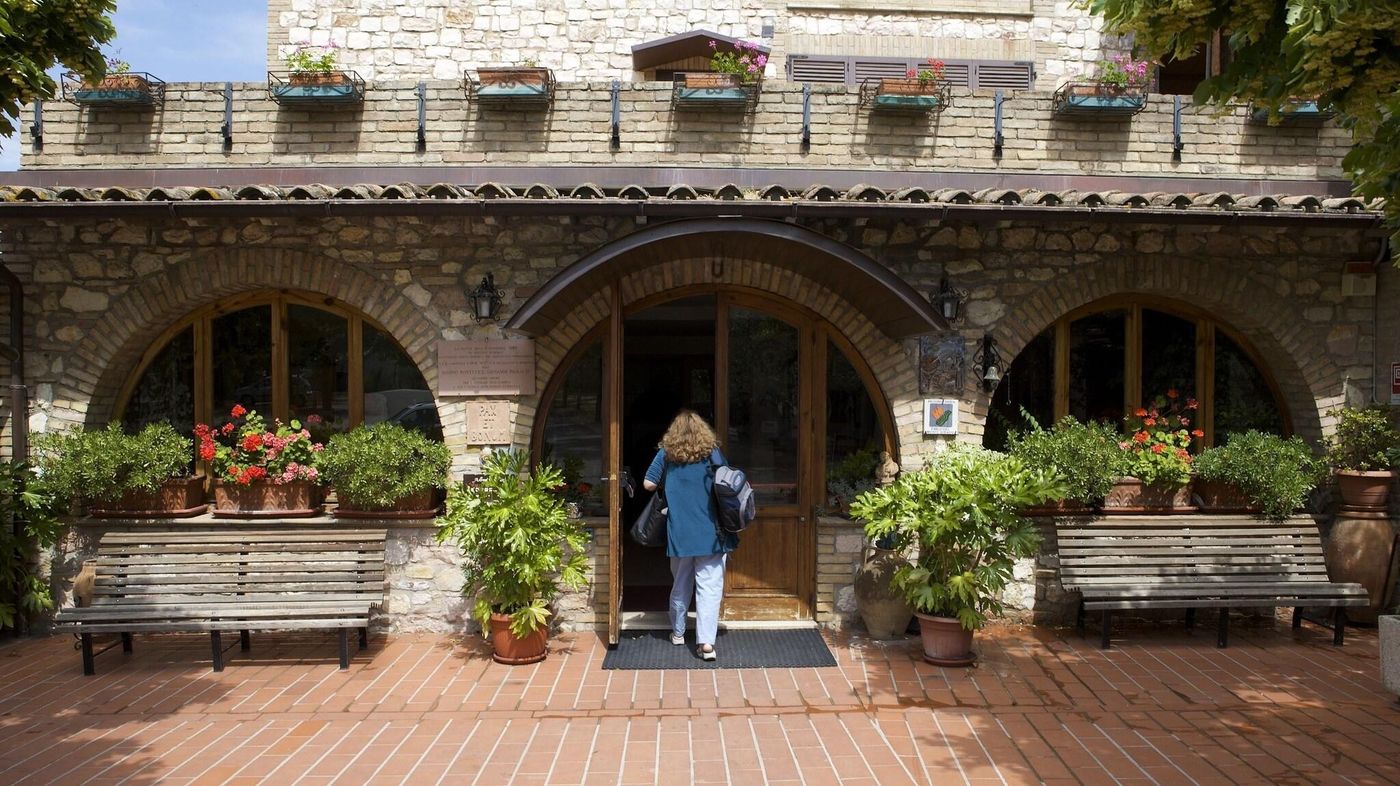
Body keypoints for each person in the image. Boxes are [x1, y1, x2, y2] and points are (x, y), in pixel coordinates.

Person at [642, 410, 736, 661]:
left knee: (681, 582)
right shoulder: (711, 452)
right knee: (709, 586)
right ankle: (706, 643)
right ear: (703, 431)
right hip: (711, 531)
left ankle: (678, 632)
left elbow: (647, 484)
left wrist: (669, 482)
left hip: (680, 531)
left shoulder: (667, 453)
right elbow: (727, 479)